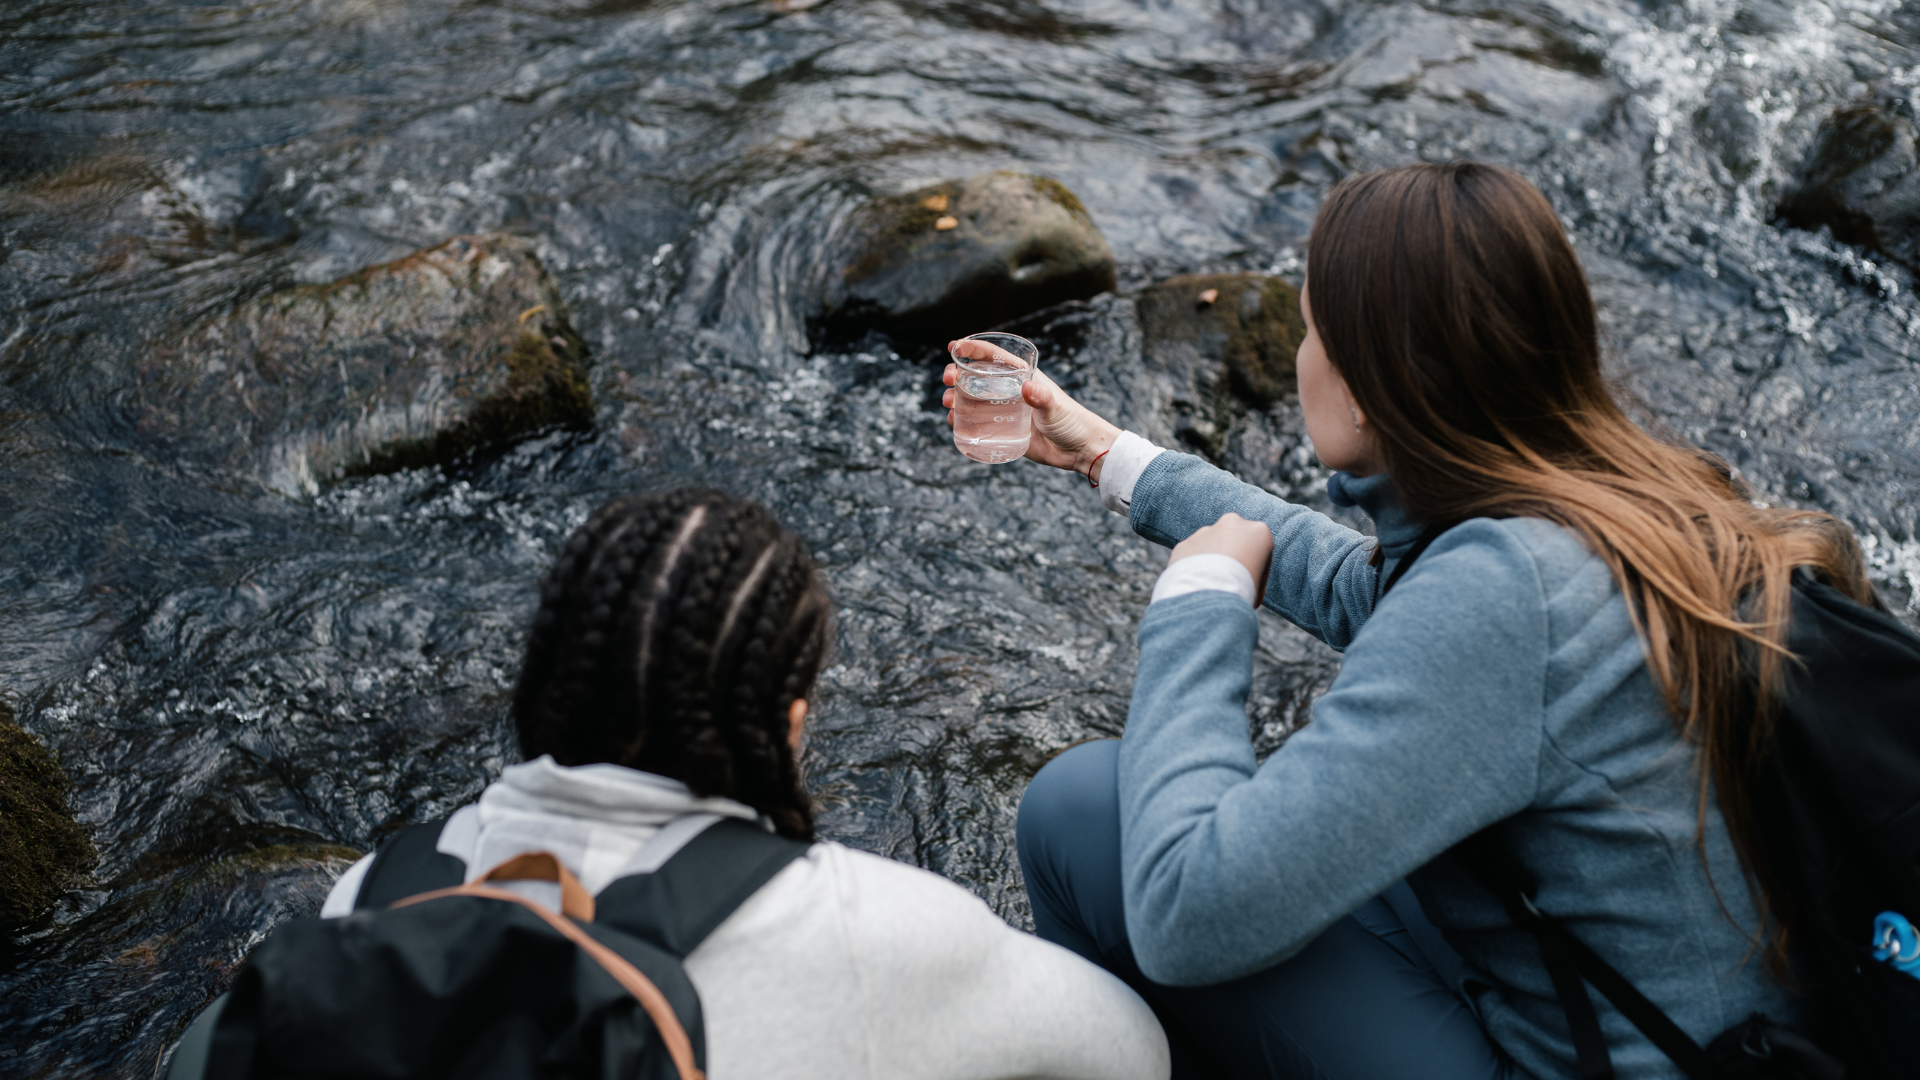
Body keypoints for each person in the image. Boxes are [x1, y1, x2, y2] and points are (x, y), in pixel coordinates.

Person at [954, 163, 1878, 1080]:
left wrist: (1200, 605)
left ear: (1365, 388)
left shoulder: (1507, 595)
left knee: (1084, 814)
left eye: (1311, 331)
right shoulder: (1630, 498)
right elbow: (1390, 598)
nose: (1302, 356)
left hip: (1583, 1061)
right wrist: (1108, 457)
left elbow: (1184, 916)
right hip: (1704, 1026)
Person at [210, 489, 1170, 1080]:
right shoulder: (871, 930)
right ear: (789, 722)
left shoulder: (371, 899)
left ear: (544, 680)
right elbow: (1134, 1055)